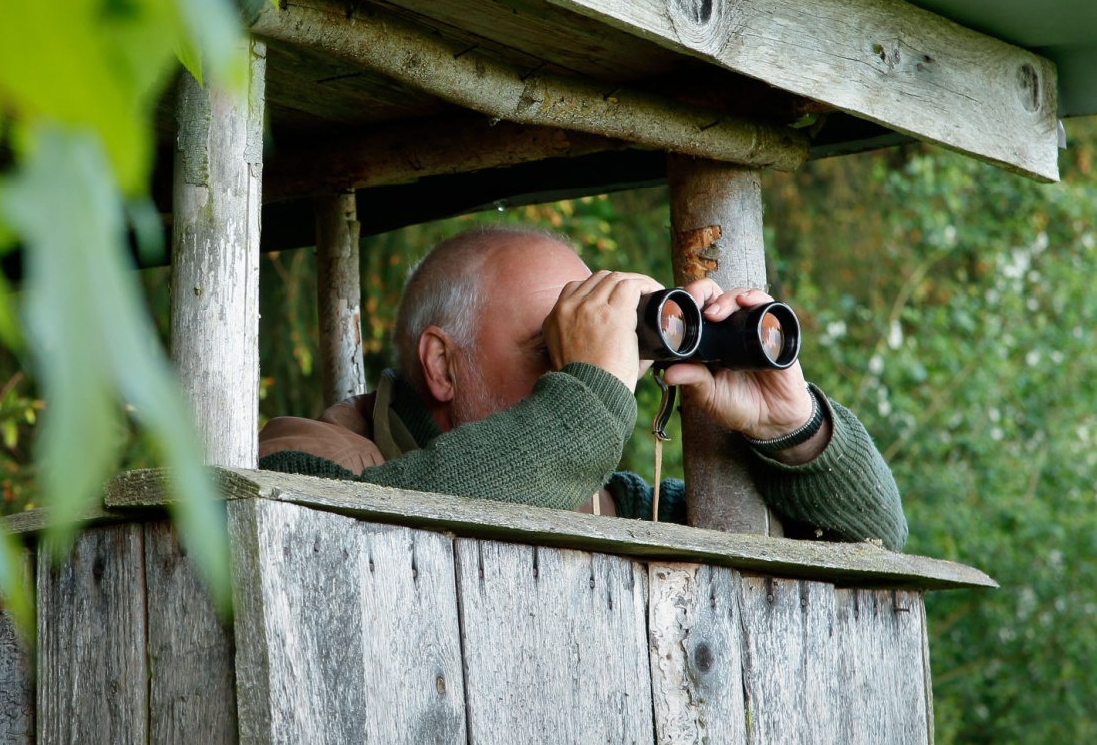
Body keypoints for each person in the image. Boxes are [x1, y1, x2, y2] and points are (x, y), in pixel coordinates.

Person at [258, 226, 907, 550]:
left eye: (597, 343)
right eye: (555, 346)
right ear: (442, 365)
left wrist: (795, 429)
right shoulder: (309, 457)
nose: (588, 369)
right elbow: (343, 546)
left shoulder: (603, 502)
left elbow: (870, 541)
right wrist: (589, 402)